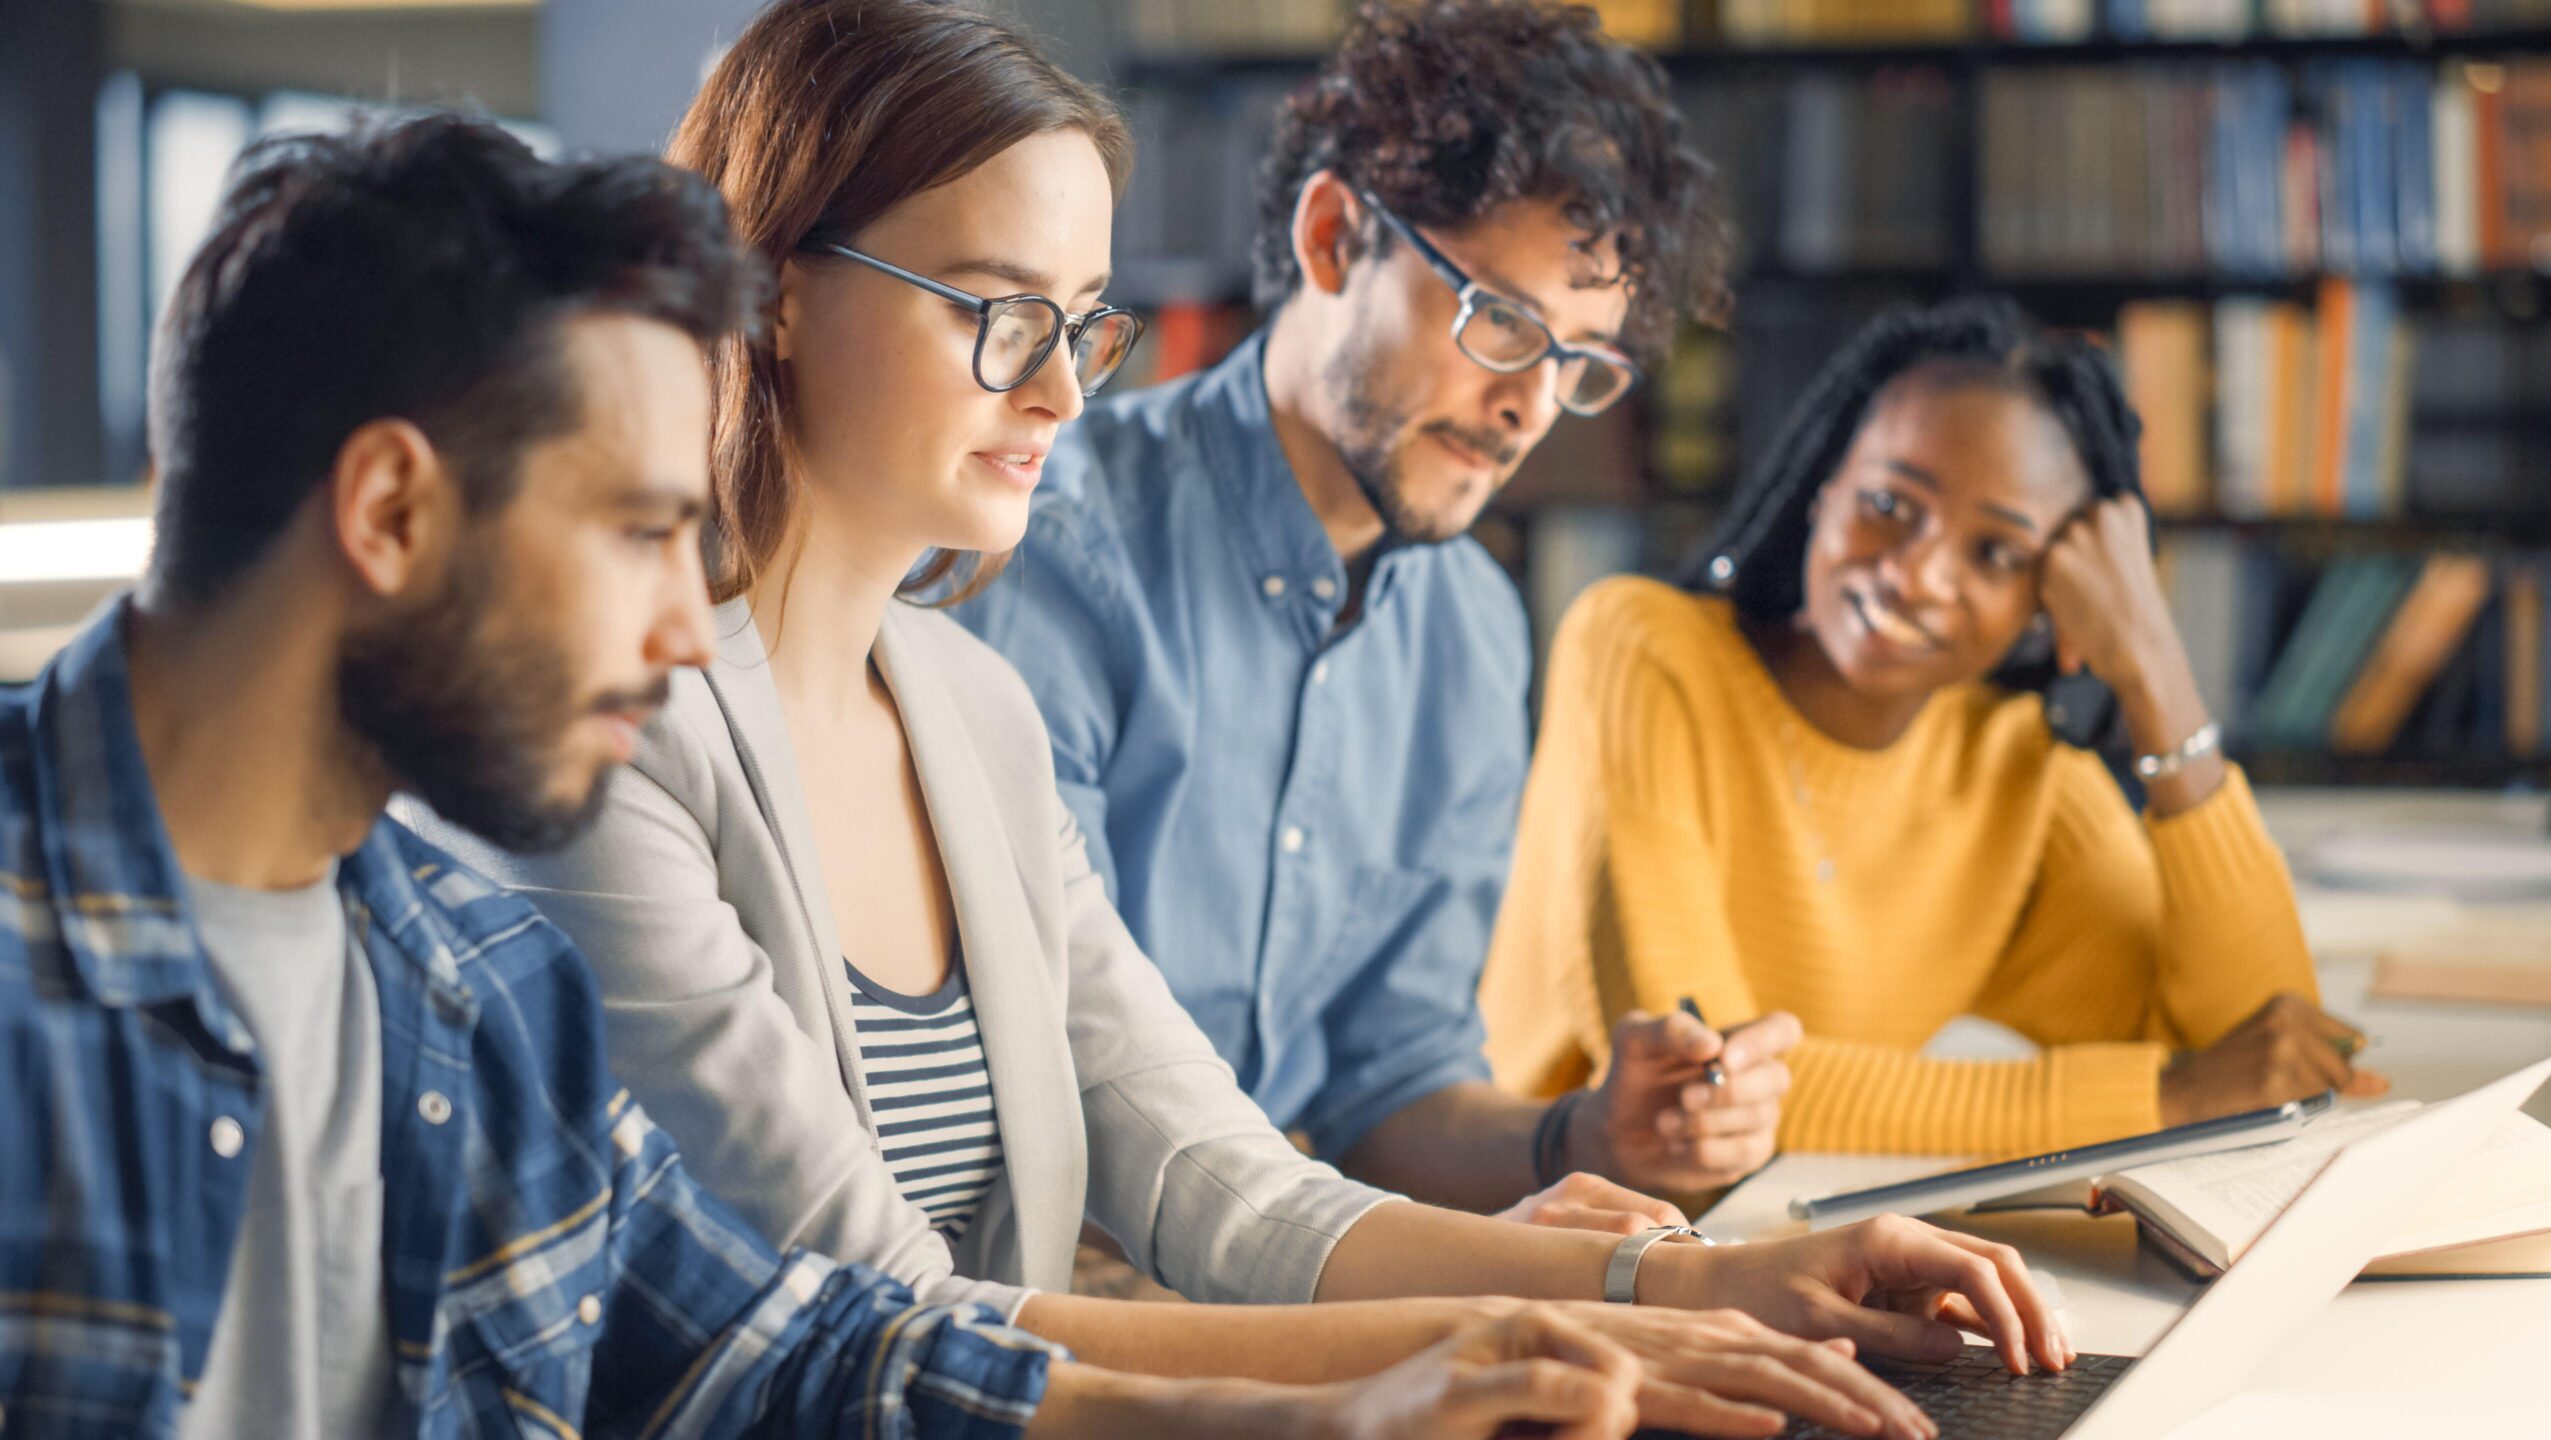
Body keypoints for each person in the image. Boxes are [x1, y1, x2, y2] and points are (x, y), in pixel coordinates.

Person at [416, 4, 2063, 1436]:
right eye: (996, 309)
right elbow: (884, 1326)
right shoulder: (606, 735)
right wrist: (1472, 1352)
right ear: (772, 289)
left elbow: (1225, 1178)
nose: (1060, 388)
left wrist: (1724, 1277)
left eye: (1081, 323)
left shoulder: (964, 709)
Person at [0, 109, 1731, 1440]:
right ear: (388, 512)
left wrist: (1360, 1405)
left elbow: (801, 1347)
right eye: (639, 534)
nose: (692, 627)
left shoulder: (463, 979)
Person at [947, 0, 1795, 1222]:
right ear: (1335, 237)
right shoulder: (1045, 551)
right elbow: (1048, 1089)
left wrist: (1589, 1132)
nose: (1530, 410)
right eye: (1502, 323)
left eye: (1579, 364)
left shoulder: (1474, 629)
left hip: (1282, 1275)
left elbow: (1388, 1091)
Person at [1480, 297, 2389, 1159]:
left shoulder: (2016, 772)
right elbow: (1703, 1082)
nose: (1917, 575)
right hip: (1535, 1228)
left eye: (1995, 552)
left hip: (1785, 1240)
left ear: (2049, 599)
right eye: (1888, 505)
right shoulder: (1644, 650)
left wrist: (2157, 669)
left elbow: (2267, 1051)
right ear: (1824, 489)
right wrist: (2167, 1099)